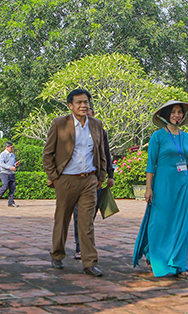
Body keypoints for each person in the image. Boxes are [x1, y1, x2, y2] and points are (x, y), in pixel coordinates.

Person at [43, 89, 107, 277]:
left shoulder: (96, 124)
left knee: (87, 223)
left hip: (89, 180)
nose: (83, 106)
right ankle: (57, 255)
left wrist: (100, 176)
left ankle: (89, 263)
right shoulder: (59, 123)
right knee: (62, 219)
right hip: (66, 180)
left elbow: (101, 152)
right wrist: (55, 177)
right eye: (79, 102)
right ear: (70, 105)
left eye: (86, 102)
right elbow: (48, 153)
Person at [133, 100, 188, 278]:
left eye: (180, 112)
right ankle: (154, 256)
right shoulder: (158, 136)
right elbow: (151, 164)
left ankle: (179, 264)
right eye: (173, 112)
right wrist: (148, 188)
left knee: (181, 224)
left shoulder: (186, 137)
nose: (177, 115)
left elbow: (187, 161)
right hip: (162, 184)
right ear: (167, 115)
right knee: (159, 222)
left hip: (182, 185)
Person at [72, 105, 115, 260]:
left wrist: (109, 175)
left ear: (93, 113)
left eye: (87, 110)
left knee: (90, 215)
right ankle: (80, 248)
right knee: (79, 215)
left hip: (95, 179)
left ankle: (85, 244)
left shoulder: (100, 131)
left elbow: (106, 154)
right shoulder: (72, 129)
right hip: (75, 178)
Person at [0, 141, 20, 207]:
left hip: (11, 173)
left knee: (12, 188)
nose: (12, 149)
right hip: (4, 173)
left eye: (12, 147)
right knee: (5, 186)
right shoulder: (2, 154)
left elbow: (12, 164)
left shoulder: (13, 155)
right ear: (6, 147)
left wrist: (15, 165)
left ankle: (11, 202)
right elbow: (1, 164)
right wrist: (10, 167)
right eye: (11, 147)